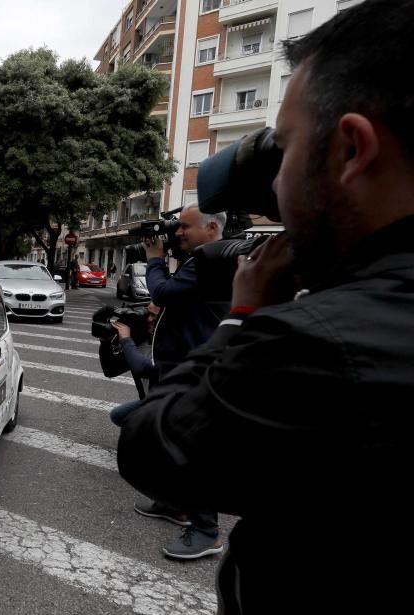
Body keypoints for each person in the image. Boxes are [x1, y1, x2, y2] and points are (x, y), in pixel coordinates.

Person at [119, 2, 414, 612]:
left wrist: (244, 313)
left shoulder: (319, 342)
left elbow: (156, 451)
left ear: (352, 149)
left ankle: (199, 527)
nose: (275, 189)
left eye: (286, 149)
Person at [125, 203, 228, 560]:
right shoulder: (204, 259)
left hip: (194, 366)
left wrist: (154, 258)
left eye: (185, 227)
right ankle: (176, 504)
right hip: (182, 363)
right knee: (171, 438)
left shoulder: (209, 260)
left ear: (212, 228)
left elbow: (162, 293)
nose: (178, 233)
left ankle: (206, 529)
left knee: (192, 445)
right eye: (177, 227)